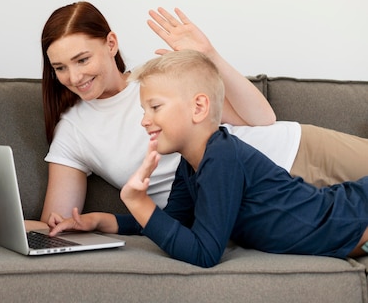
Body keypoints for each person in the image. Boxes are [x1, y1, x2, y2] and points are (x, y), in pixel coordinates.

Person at [0, 1, 368, 246]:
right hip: (242, 208)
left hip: (293, 150)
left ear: (111, 44)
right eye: (60, 68)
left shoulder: (157, 81)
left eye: (83, 59)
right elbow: (59, 221)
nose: (74, 77)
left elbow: (262, 119)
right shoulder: (74, 131)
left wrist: (210, 56)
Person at [47, 50, 368, 268]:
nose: (144, 121)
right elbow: (174, 220)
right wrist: (102, 221)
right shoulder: (192, 164)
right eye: (144, 110)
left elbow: (204, 253)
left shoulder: (221, 158)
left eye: (155, 107)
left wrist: (139, 202)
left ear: (199, 108)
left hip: (355, 220)